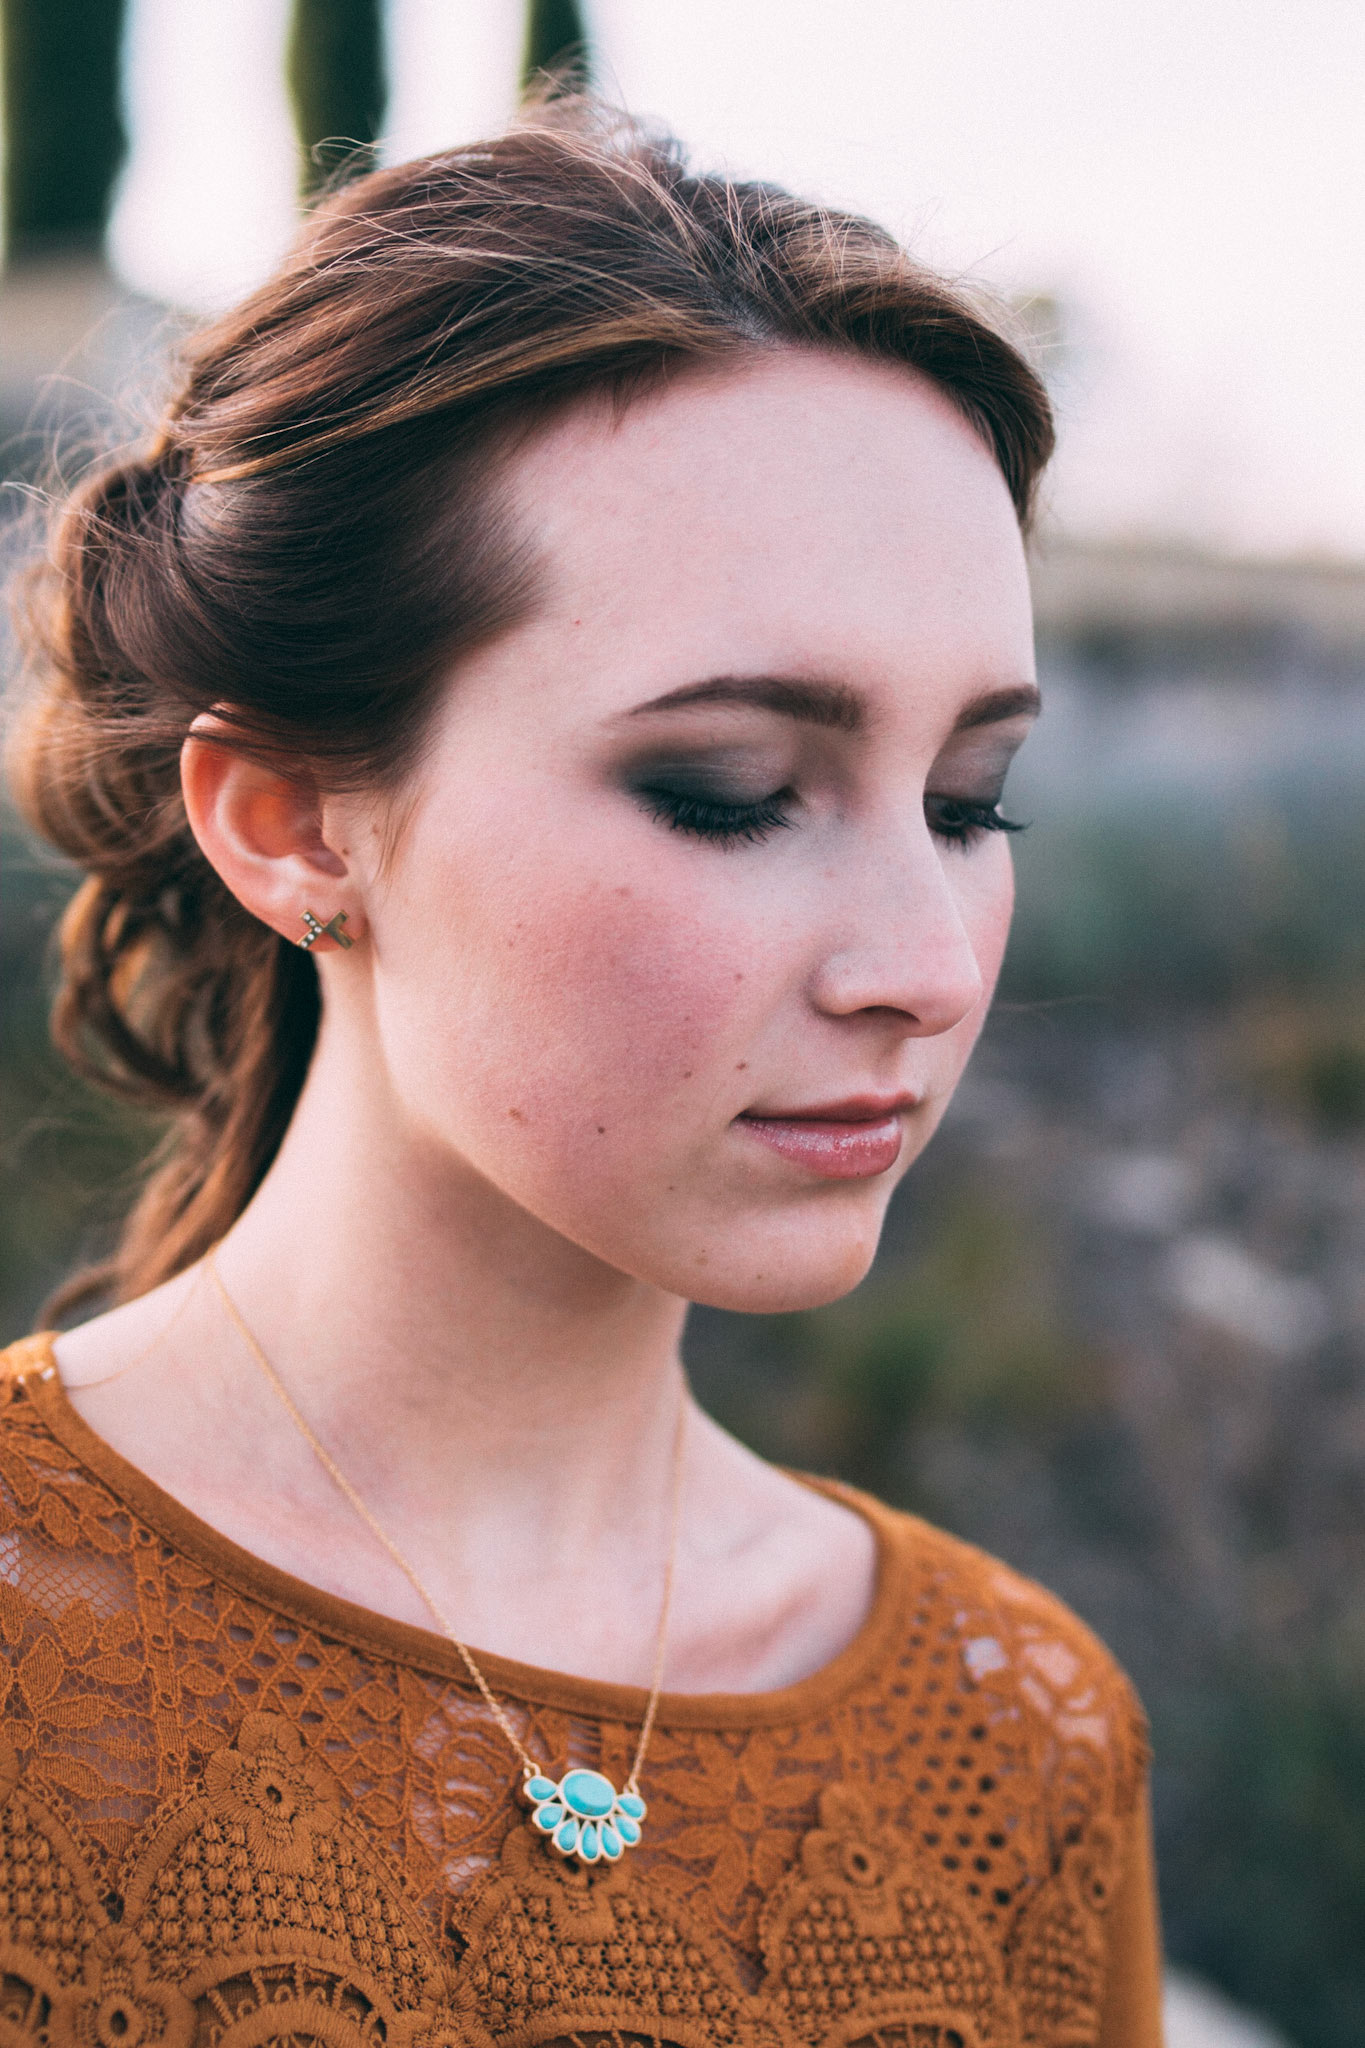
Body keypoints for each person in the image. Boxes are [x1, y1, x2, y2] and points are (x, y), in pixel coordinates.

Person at [1, 106, 1162, 2047]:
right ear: (289, 819)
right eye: (726, 794)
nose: (919, 966)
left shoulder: (1015, 1747)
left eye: (971, 801)